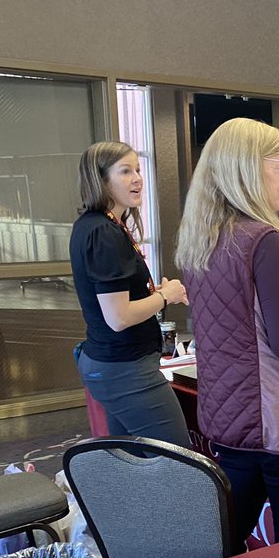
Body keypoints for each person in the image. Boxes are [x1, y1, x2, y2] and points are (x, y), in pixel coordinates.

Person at [176, 117, 279, 546]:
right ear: (248, 172)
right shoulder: (265, 240)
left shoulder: (201, 240)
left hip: (230, 421)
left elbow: (244, 327)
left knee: (227, 546)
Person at [70, 141, 191, 446]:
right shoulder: (103, 232)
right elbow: (119, 317)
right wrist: (166, 296)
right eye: (125, 171)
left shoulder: (100, 225)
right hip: (125, 369)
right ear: (102, 180)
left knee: (131, 461)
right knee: (181, 464)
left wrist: (156, 292)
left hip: (115, 364)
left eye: (137, 169)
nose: (137, 178)